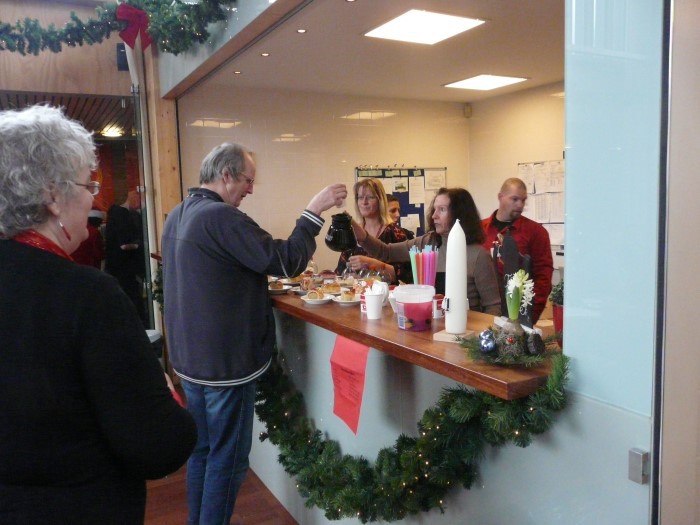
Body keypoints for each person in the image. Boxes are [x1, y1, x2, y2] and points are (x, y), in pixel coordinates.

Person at [0, 105, 196, 524]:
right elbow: (159, 446)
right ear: (52, 196)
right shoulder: (86, 294)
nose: (93, 197)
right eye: (88, 183)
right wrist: (165, 393)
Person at [161, 142, 347, 525]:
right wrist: (313, 210)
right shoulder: (221, 217)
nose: (250, 189)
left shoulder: (179, 213)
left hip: (190, 362)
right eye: (248, 180)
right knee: (227, 462)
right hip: (225, 366)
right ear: (226, 175)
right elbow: (286, 261)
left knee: (202, 453)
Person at [351, 187, 501, 315]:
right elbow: (386, 252)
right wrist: (356, 229)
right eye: (434, 209)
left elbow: (493, 306)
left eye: (442, 210)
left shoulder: (478, 256)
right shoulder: (427, 243)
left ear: (459, 214)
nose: (434, 215)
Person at [482, 177, 553, 323]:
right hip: (484, 309)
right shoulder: (480, 230)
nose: (520, 205)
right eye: (514, 199)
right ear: (500, 197)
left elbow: (543, 275)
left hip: (519, 311)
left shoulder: (536, 232)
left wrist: (531, 313)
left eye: (523, 200)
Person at [335, 179, 413, 284]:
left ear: (380, 201)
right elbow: (340, 272)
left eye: (370, 197)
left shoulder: (395, 232)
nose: (364, 202)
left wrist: (374, 264)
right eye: (360, 197)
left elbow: (408, 274)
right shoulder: (352, 233)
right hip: (357, 292)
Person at [105, 189, 147, 326]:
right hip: (125, 269)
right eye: (141, 199)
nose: (142, 204)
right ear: (134, 197)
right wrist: (142, 245)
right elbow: (125, 244)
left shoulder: (117, 214)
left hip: (118, 268)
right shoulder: (122, 215)